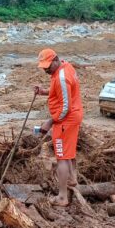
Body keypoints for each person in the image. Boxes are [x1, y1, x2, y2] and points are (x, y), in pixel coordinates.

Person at [33, 49, 84, 207]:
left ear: (55, 60)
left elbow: (65, 107)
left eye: (48, 66)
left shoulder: (62, 76)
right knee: (68, 152)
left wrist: (51, 121)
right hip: (72, 116)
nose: (46, 69)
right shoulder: (65, 67)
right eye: (44, 67)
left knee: (61, 156)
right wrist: (43, 92)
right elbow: (59, 91)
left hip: (66, 119)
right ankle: (72, 179)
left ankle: (62, 197)